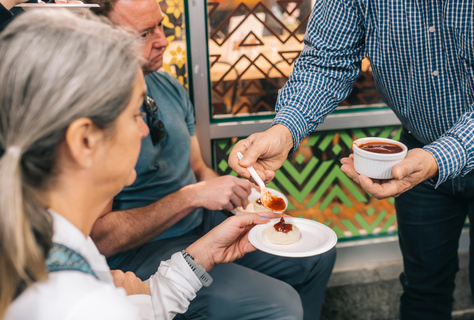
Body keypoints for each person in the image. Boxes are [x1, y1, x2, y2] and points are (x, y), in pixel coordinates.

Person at [0, 10, 278, 320]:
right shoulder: (83, 304)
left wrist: (206, 253)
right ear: (85, 141)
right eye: (135, 114)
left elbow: (143, 310)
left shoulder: (56, 243)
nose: (144, 129)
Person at [228, 1, 474, 319]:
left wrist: (440, 156)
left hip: (436, 154)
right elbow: (327, 64)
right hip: (417, 151)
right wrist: (287, 129)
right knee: (423, 288)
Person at [84, 0, 336, 318]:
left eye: (160, 25)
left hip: (201, 224)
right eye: (145, 33)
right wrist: (191, 197)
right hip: (142, 250)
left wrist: (237, 190)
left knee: (315, 256)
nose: (162, 40)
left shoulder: (171, 87)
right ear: (101, 36)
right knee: (280, 303)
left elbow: (199, 168)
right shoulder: (95, 107)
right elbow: (99, 239)